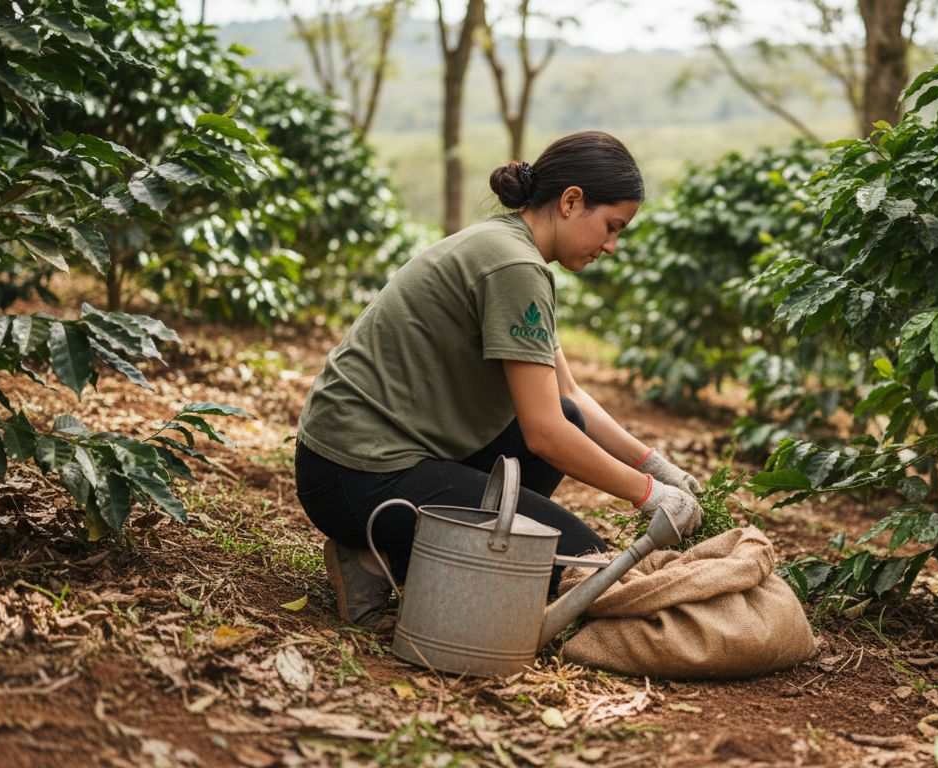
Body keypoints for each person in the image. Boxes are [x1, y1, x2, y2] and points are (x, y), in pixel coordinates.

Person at [294, 131, 705, 630]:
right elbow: (545, 433)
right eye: (611, 227)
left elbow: (568, 397)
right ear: (572, 201)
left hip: (362, 460)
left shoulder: (510, 245)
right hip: (357, 473)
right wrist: (647, 495)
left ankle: (390, 562)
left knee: (570, 419)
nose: (612, 246)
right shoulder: (515, 266)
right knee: (581, 564)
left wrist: (657, 468)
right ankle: (375, 556)